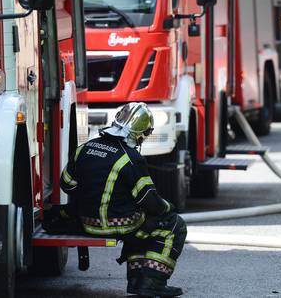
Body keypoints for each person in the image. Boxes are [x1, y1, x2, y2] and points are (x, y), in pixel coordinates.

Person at [47, 102, 187, 297]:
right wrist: (168, 207)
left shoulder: (84, 149)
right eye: (144, 134)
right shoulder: (131, 158)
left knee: (139, 223)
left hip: (86, 223)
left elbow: (67, 185)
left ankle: (137, 282)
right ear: (138, 133)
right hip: (118, 224)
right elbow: (150, 201)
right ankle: (152, 283)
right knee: (173, 225)